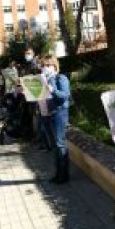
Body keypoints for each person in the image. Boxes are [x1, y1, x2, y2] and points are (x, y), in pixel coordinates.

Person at [41, 55, 71, 184]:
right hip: (48, 113)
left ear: (55, 66)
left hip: (59, 113)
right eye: (43, 65)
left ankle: (63, 175)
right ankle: (58, 173)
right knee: (55, 145)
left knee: (60, 144)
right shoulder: (45, 80)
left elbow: (64, 95)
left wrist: (52, 90)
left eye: (48, 65)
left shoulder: (61, 78)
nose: (45, 68)